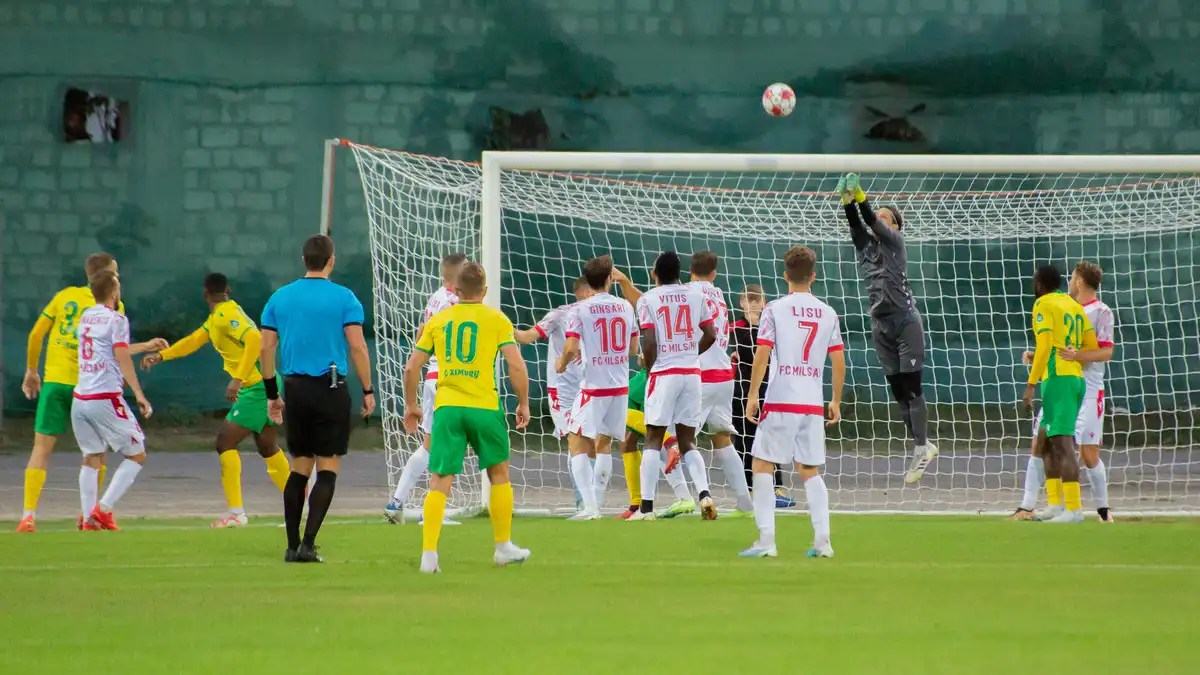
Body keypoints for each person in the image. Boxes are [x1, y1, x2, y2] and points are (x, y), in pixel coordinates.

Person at [402, 262, 532, 573]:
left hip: (448, 408)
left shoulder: (439, 320)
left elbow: (412, 366)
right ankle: (502, 547)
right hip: (484, 407)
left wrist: (411, 406)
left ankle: (429, 556)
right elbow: (516, 365)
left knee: (440, 478)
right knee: (498, 473)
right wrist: (523, 403)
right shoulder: (497, 319)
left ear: (455, 291)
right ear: (485, 291)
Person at [141, 273, 291, 528]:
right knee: (267, 447)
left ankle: (236, 513)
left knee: (225, 442)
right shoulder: (219, 317)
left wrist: (238, 379)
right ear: (228, 290)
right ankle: (300, 503)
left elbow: (255, 339)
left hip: (255, 388)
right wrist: (162, 356)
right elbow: (194, 341)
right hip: (263, 385)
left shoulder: (225, 316)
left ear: (205, 294)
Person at [260, 235, 376, 563]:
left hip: (295, 388)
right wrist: (367, 389)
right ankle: (309, 545)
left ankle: (291, 544)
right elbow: (357, 345)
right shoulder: (345, 298)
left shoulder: (280, 298)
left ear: (303, 260)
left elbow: (266, 347)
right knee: (327, 467)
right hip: (330, 387)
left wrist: (273, 393)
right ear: (331, 260)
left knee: (299, 467)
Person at [18, 253, 136, 532]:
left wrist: (32, 370)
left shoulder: (64, 296)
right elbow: (115, 347)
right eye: (115, 273)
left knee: (41, 448)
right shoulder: (112, 306)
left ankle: (27, 516)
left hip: (56, 382)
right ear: (107, 277)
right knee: (96, 453)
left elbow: (36, 334)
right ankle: (90, 515)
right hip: (89, 387)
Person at [739, 247, 845, 559]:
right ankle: (823, 542)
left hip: (782, 397)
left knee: (761, 464)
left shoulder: (775, 309)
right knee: (810, 469)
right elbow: (838, 360)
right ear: (813, 276)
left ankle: (766, 541)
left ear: (785, 275)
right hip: (812, 403)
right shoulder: (828, 312)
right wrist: (835, 400)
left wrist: (753, 394)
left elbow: (762, 353)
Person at [838, 172, 938, 483]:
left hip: (906, 321)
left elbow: (869, 220)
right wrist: (847, 201)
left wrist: (861, 196)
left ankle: (921, 446)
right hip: (880, 325)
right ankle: (921, 445)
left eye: (885, 218)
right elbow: (857, 224)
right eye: (878, 216)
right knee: (898, 394)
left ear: (893, 226)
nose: (879, 220)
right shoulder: (866, 248)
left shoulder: (895, 242)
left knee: (912, 388)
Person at [1013, 261, 1115, 522]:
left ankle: (1081, 510)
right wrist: (1041, 357)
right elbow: (1065, 343)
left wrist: (1032, 381)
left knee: (1072, 447)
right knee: (1044, 440)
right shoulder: (1071, 306)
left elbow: (1101, 351)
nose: (1070, 281)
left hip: (1072, 383)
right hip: (1067, 378)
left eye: (1073, 277)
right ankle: (1049, 504)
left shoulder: (1096, 310)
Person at [630, 251, 719, 521]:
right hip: (691, 373)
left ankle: (646, 509)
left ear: (655, 272)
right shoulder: (696, 295)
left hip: (664, 372)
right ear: (679, 272)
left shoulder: (648, 299)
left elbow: (650, 341)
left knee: (653, 438)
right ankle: (705, 495)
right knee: (688, 440)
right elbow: (711, 334)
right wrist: (690, 353)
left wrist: (650, 366)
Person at [71, 271, 158, 531]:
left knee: (92, 457)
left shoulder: (86, 316)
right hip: (104, 397)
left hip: (80, 398)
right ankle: (104, 509)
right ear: (113, 292)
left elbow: (110, 349)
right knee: (137, 453)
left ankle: (88, 520)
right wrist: (139, 396)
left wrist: (145, 346)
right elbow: (121, 357)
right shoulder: (116, 319)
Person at [384, 253, 466, 525]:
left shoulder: (436, 297)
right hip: (449, 378)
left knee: (431, 445)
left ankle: (396, 502)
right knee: (448, 444)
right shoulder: (455, 303)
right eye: (466, 268)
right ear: (453, 275)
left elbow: (422, 334)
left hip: (434, 374)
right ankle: (434, 512)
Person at [557, 255, 638, 520]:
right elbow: (633, 349)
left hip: (594, 388)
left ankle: (590, 508)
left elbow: (570, 347)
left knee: (576, 442)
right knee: (604, 443)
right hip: (620, 387)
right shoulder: (626, 306)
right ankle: (597, 502)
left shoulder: (580, 309)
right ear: (608, 280)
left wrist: (562, 362)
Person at [514, 276, 590, 511]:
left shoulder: (561, 313)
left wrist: (499, 325)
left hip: (568, 389)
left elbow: (525, 337)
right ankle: (586, 502)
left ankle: (586, 503)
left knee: (577, 442)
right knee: (587, 441)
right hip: (585, 387)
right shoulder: (597, 312)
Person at [687, 251, 753, 517]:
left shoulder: (686, 293)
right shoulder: (719, 294)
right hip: (725, 375)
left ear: (690, 270)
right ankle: (745, 502)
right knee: (722, 439)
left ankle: (700, 496)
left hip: (700, 375)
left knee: (679, 440)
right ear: (713, 273)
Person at [731, 284, 794, 508]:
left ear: (765, 302)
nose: (754, 302)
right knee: (744, 440)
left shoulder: (772, 328)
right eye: (750, 299)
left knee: (771, 437)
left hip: (769, 389)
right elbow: (748, 353)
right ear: (742, 303)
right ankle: (748, 489)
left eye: (758, 299)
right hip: (742, 392)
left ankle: (775, 488)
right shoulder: (736, 328)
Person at [618, 363, 689, 519]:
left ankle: (670, 442)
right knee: (627, 441)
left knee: (616, 416)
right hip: (655, 376)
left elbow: (639, 351)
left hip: (647, 377)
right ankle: (636, 505)